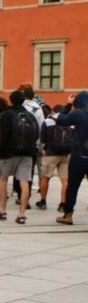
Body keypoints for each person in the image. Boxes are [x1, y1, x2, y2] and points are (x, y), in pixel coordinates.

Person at [0, 90, 36, 224]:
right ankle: (22, 214)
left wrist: (1, 152)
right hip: (27, 153)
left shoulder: (7, 114)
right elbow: (36, 134)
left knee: (3, 180)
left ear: (11, 100)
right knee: (24, 182)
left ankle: (2, 211)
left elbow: (4, 135)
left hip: (9, 153)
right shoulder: (30, 115)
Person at [56, 91, 88, 225]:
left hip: (79, 156)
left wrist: (68, 105)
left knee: (73, 186)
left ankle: (68, 214)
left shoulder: (78, 113)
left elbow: (60, 120)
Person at [36, 108, 72, 211]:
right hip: (66, 154)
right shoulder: (69, 121)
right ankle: (63, 204)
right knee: (65, 180)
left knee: (46, 178)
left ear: (53, 111)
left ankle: (43, 202)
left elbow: (42, 139)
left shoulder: (48, 121)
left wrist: (42, 151)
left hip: (51, 154)